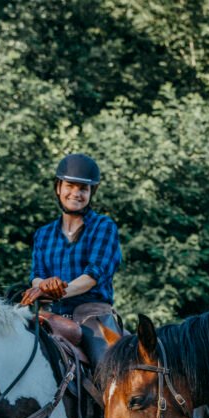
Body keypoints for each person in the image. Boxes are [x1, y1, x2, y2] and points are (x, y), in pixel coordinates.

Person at [21, 153, 123, 366]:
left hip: (92, 314)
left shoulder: (104, 227)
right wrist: (43, 286)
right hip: (50, 314)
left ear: (90, 193)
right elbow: (36, 276)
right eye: (70, 186)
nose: (76, 193)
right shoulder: (43, 234)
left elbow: (92, 276)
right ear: (58, 187)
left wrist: (52, 290)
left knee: (110, 369)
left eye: (83, 189)